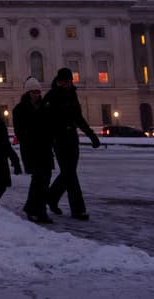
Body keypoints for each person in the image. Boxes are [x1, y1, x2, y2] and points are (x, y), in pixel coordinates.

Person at [43, 67, 101, 220]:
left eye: (69, 81)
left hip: (72, 138)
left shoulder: (72, 94)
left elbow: (78, 117)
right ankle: (78, 209)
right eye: (65, 81)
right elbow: (45, 121)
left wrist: (91, 135)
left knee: (68, 173)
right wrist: (50, 140)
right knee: (70, 174)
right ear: (59, 81)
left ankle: (51, 197)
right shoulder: (51, 96)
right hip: (59, 139)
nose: (68, 83)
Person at [12, 77, 55, 223]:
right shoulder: (20, 109)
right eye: (33, 92)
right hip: (31, 150)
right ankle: (36, 210)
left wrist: (50, 139)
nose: (36, 94)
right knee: (38, 180)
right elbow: (19, 130)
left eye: (37, 92)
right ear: (28, 93)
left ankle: (36, 208)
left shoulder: (45, 107)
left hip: (45, 149)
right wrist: (27, 138)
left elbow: (50, 125)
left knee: (45, 180)